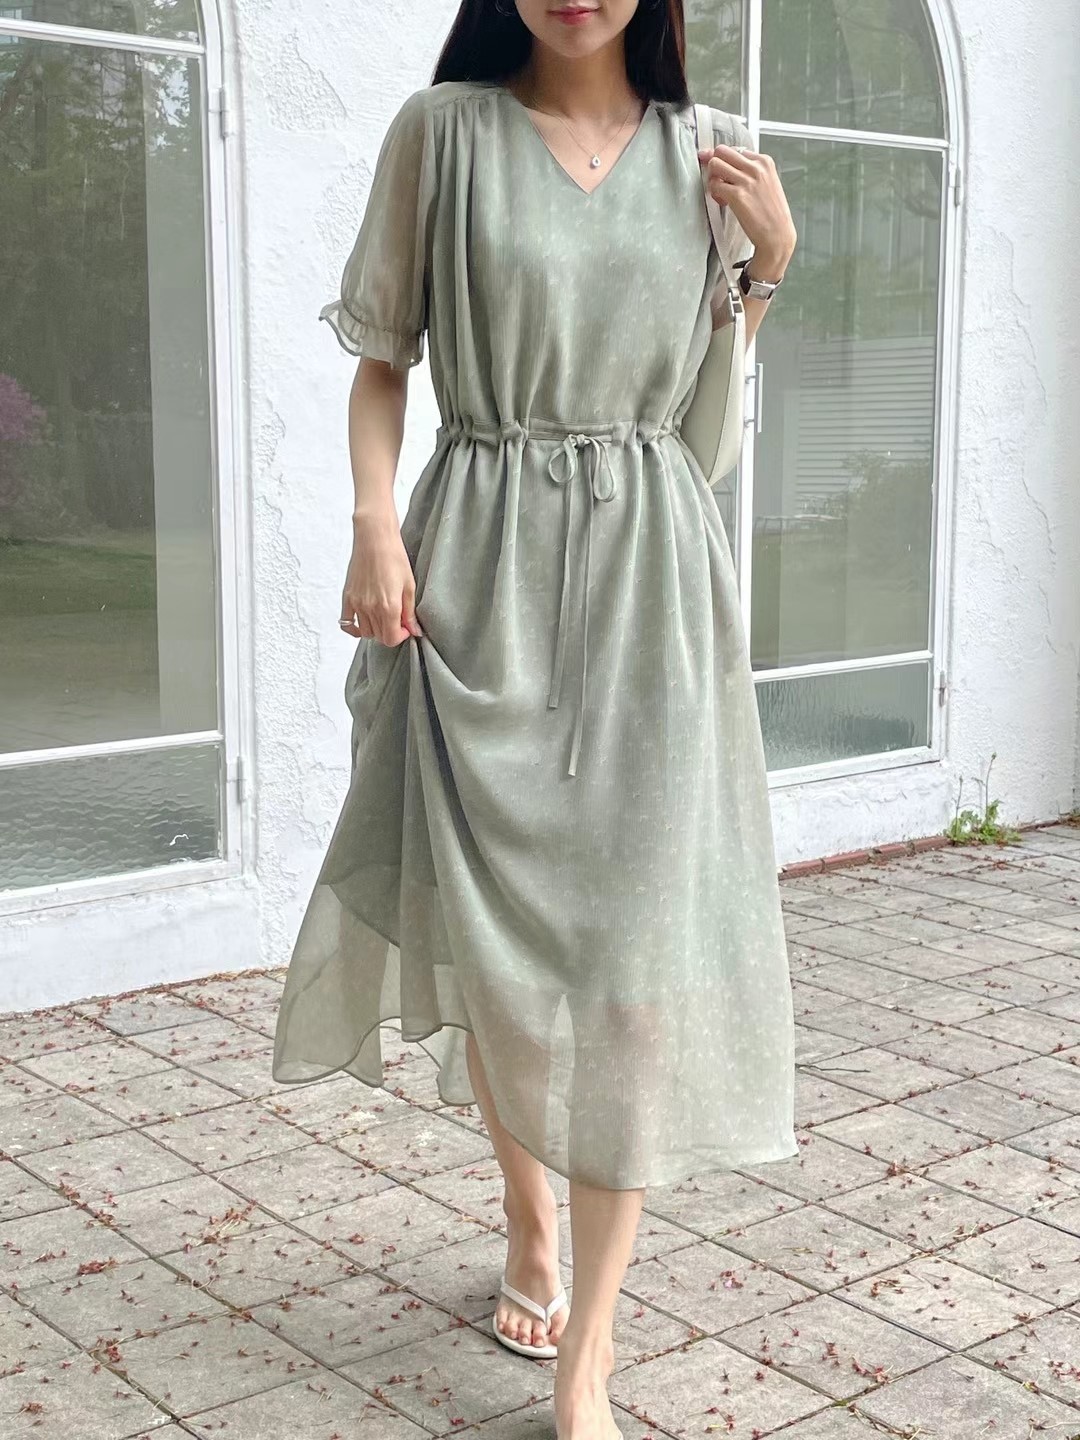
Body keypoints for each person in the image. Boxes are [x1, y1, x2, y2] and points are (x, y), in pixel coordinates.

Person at [272, 2, 799, 1434]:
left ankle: (590, 1358)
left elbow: (701, 438)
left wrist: (763, 272)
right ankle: (527, 1217)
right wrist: (374, 525)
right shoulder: (440, 134)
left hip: (651, 595)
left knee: (632, 974)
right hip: (477, 576)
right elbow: (383, 363)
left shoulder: (705, 155)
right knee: (497, 950)